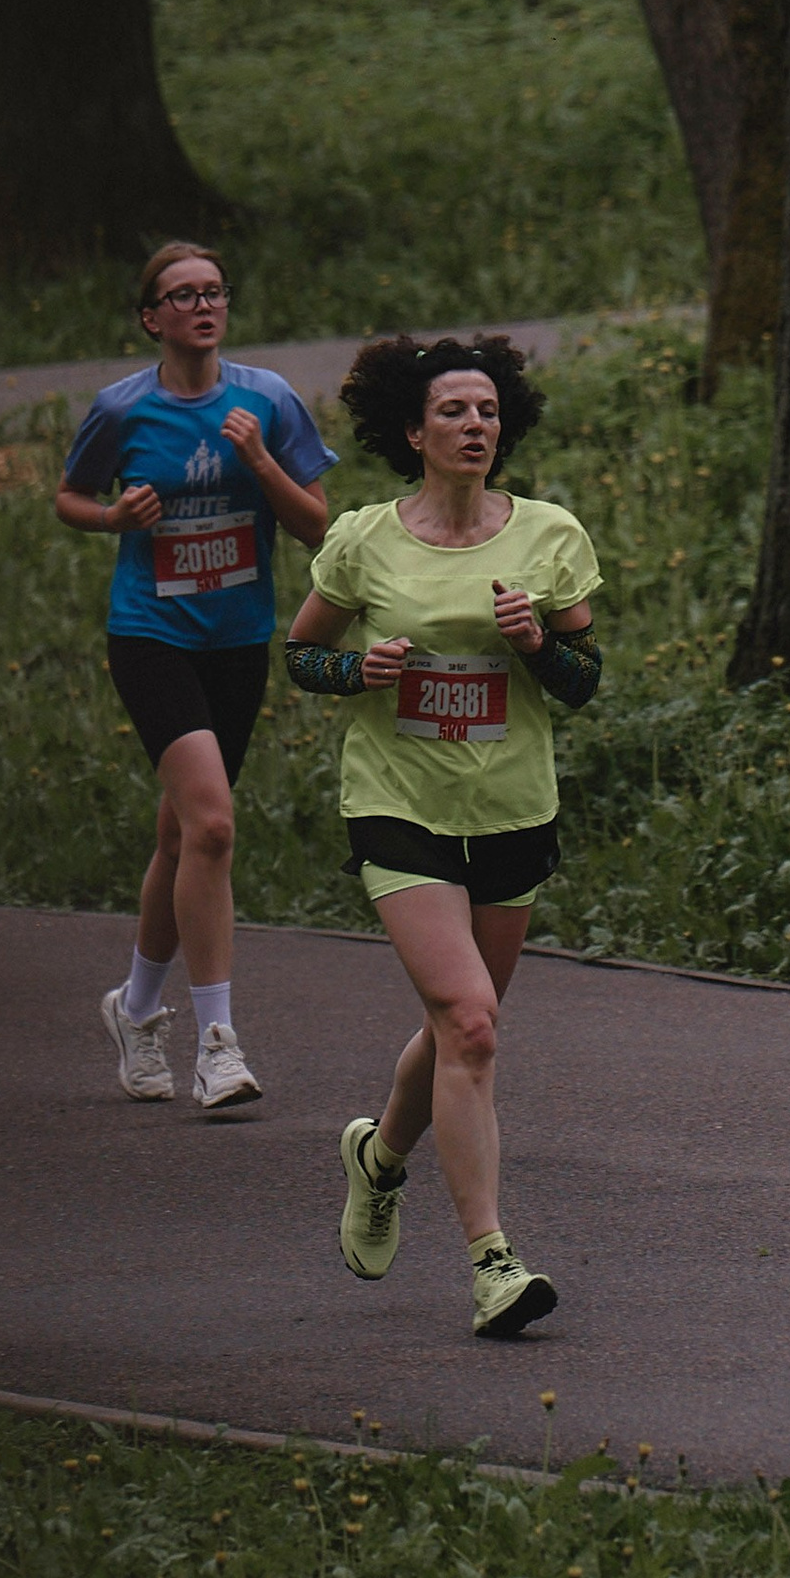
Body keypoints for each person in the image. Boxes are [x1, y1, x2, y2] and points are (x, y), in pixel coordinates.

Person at [285, 332, 603, 1338]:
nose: (476, 425)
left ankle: (379, 1157)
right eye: (455, 413)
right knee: (469, 1023)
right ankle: (491, 1260)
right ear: (414, 432)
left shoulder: (548, 533)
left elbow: (585, 683)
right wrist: (355, 673)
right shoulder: (363, 538)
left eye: (487, 411)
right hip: (398, 804)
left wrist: (534, 644)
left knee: (456, 1028)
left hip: (510, 807)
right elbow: (300, 656)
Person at [55, 243, 333, 1110]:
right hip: (152, 635)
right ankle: (219, 1042)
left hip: (237, 638)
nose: (202, 306)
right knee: (212, 826)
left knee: (181, 838)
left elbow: (318, 525)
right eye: (183, 295)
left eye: (214, 291)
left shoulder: (267, 400)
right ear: (153, 318)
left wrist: (259, 462)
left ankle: (135, 1011)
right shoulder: (122, 408)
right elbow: (70, 495)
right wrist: (113, 516)